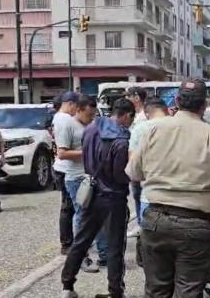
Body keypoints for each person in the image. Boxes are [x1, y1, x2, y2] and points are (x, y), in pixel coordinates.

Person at [126, 78, 210, 298]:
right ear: (204, 105)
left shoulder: (152, 129)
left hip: (156, 220)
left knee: (156, 290)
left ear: (177, 100)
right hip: (197, 225)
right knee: (188, 291)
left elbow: (133, 173)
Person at [61, 98, 135, 298]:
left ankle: (67, 286)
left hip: (92, 190)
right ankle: (115, 292)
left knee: (81, 241)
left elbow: (86, 157)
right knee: (115, 246)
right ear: (127, 115)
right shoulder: (121, 140)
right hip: (114, 197)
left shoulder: (91, 128)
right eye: (131, 119)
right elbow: (120, 174)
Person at [56, 95, 107, 273]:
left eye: (93, 115)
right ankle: (81, 256)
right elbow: (62, 153)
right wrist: (87, 152)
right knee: (83, 216)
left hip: (93, 175)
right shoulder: (67, 125)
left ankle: (104, 254)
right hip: (76, 178)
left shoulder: (91, 124)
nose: (91, 118)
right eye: (88, 114)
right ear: (78, 109)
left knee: (99, 215)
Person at [128, 97, 169, 267]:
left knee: (150, 236)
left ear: (146, 113)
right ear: (166, 110)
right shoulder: (179, 127)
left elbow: (133, 165)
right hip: (178, 196)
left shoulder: (140, 129)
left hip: (150, 192)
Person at [52, 91, 79, 255]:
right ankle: (67, 243)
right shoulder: (65, 119)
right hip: (65, 168)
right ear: (70, 104)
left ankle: (70, 241)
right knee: (68, 207)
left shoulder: (60, 117)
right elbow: (64, 150)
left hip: (64, 167)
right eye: (76, 106)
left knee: (70, 207)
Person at [125, 86, 148, 231]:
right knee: (136, 194)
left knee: (141, 195)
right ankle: (140, 223)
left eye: (128, 96)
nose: (126, 99)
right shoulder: (134, 116)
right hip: (134, 161)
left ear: (136, 97)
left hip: (141, 162)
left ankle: (142, 225)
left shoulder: (143, 118)